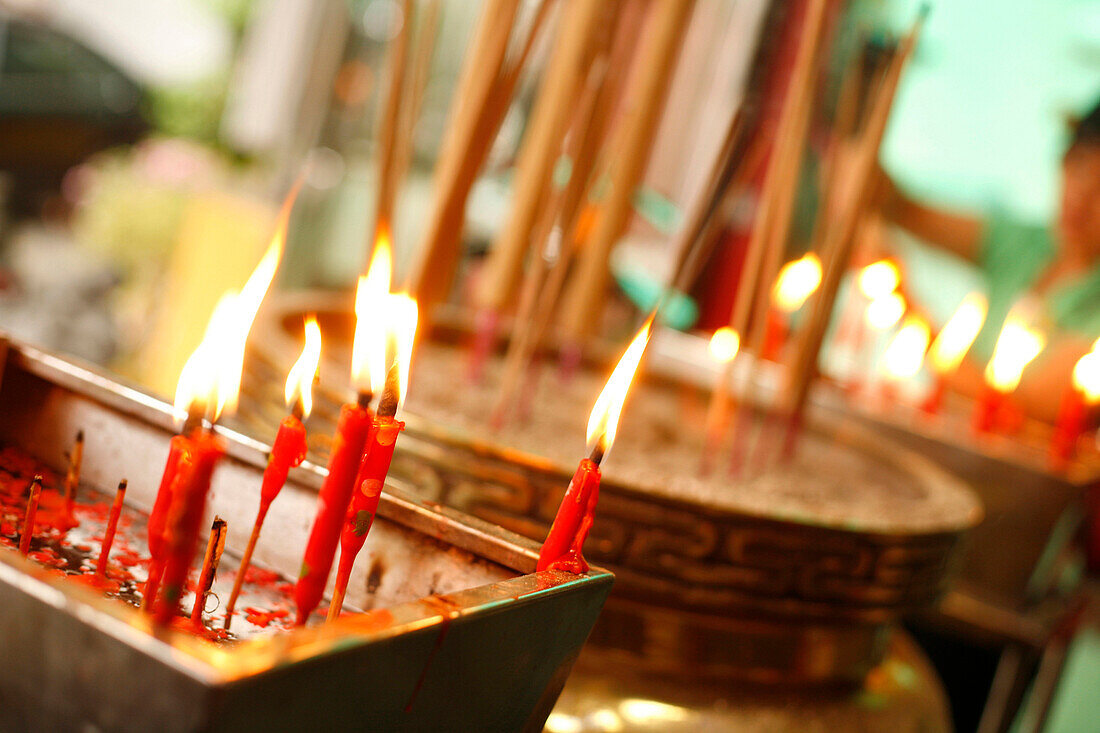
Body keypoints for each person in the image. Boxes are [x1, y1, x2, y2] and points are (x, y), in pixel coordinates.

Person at [876, 95, 1100, 421]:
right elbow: (906, 210)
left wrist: (901, 304)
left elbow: (1026, 410)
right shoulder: (1030, 244)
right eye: (1079, 164)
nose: (1083, 193)